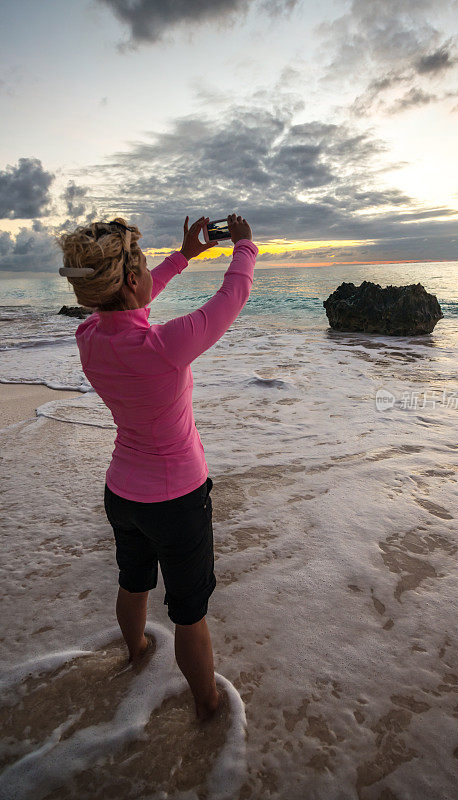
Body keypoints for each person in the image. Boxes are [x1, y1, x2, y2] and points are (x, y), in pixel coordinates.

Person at [56, 213, 258, 722]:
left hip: (122, 494)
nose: (149, 274)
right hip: (177, 500)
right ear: (128, 279)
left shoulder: (87, 337)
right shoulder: (165, 347)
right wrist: (244, 246)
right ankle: (208, 706)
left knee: (133, 582)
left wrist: (184, 256)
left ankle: (137, 654)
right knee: (190, 615)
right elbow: (230, 300)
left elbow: (131, 300)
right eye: (142, 266)